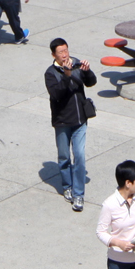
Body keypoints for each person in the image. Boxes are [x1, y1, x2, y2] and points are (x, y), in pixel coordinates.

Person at [43, 39, 96, 212]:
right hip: (62, 121)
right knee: (64, 156)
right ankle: (67, 185)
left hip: (80, 119)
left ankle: (78, 194)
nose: (65, 54)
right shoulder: (50, 73)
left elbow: (91, 82)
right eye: (60, 52)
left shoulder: (76, 64)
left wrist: (87, 72)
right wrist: (66, 76)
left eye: (66, 50)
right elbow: (57, 94)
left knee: (79, 156)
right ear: (54, 55)